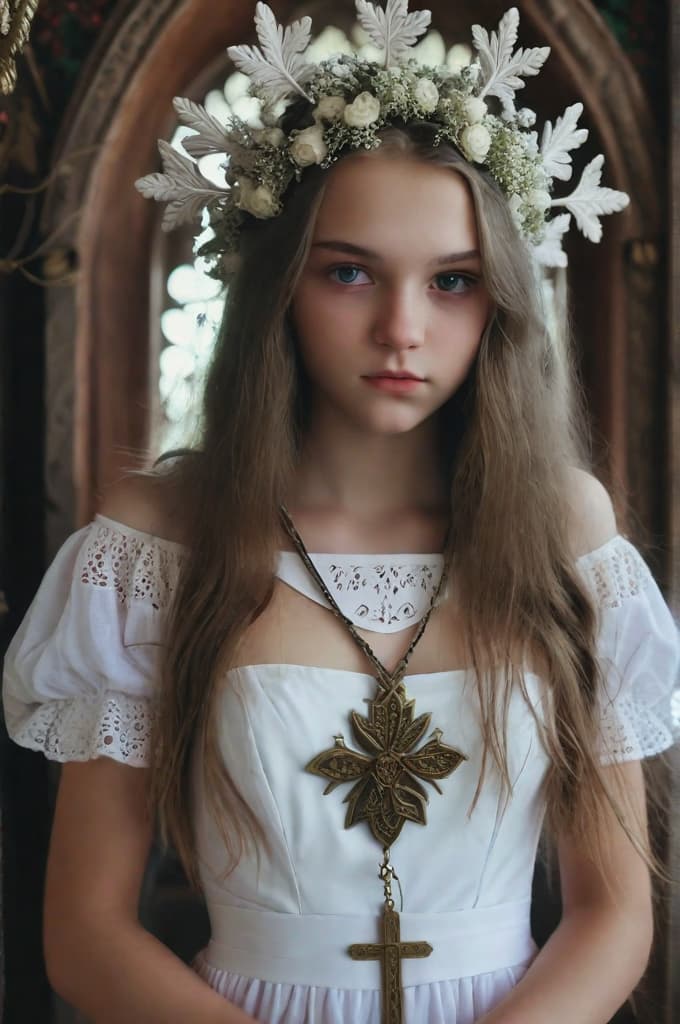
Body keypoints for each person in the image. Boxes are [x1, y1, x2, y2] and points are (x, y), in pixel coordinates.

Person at [3, 4, 679, 1023]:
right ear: (280, 283)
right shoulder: (157, 540)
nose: (401, 329)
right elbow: (85, 934)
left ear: (498, 297)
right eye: (350, 271)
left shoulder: (563, 531)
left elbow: (614, 912)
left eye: (451, 282)